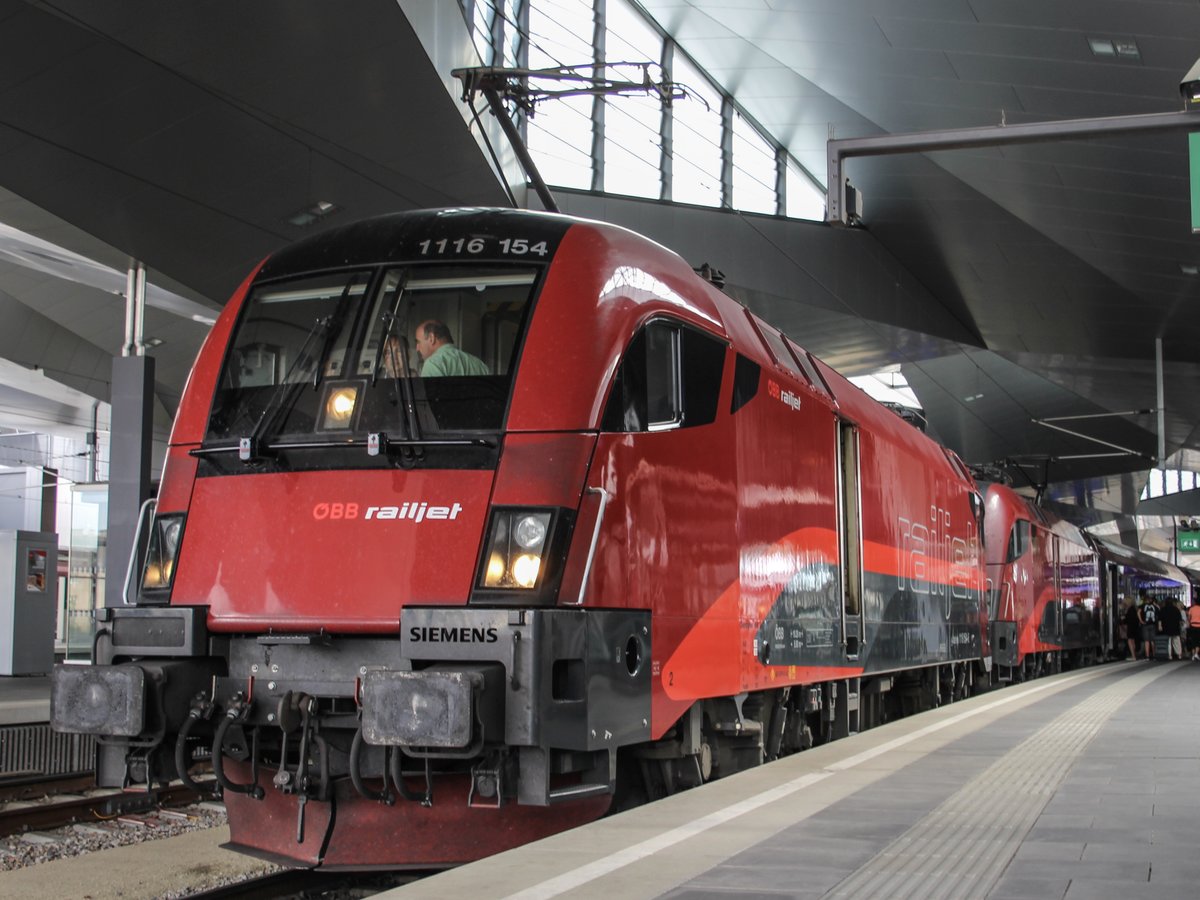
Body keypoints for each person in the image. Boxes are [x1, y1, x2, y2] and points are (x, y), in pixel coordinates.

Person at [414, 320, 489, 377]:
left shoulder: (433, 364)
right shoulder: (479, 364)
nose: (417, 348)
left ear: (431, 338)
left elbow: (428, 397)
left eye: (418, 342)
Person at [1137, 593, 1160, 661]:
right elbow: (1159, 611)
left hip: (1145, 625)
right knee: (1153, 640)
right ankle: (1154, 655)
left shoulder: (1142, 606)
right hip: (1153, 624)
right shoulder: (1154, 606)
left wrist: (1141, 621)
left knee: (1146, 641)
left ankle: (1147, 656)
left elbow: (1138, 612)